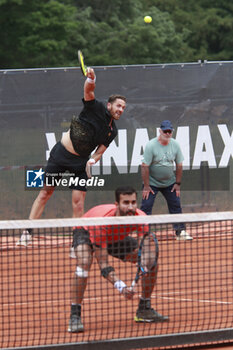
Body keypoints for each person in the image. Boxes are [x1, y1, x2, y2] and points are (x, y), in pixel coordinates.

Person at [17, 67, 126, 246]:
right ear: (109, 105)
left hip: (81, 164)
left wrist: (93, 160)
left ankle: (77, 242)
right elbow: (88, 90)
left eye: (123, 107)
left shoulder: (112, 131)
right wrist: (91, 78)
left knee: (78, 203)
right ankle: (27, 233)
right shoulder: (96, 106)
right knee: (45, 193)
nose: (121, 109)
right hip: (60, 155)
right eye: (118, 105)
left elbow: (100, 151)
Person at [68, 186, 168, 333]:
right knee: (84, 262)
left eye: (133, 202)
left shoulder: (141, 218)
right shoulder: (102, 222)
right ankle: (75, 315)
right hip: (86, 231)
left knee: (152, 262)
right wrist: (121, 286)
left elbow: (144, 249)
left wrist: (146, 263)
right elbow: (103, 264)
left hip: (116, 237)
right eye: (126, 203)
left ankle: (144, 309)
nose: (130, 207)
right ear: (117, 205)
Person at [140, 120, 192, 240]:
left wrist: (177, 184)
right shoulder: (151, 145)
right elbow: (144, 166)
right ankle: (143, 234)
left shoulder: (175, 145)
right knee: (146, 206)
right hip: (151, 183)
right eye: (165, 131)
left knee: (176, 205)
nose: (168, 133)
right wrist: (146, 186)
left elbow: (179, 165)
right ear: (160, 131)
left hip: (170, 183)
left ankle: (180, 232)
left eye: (170, 131)